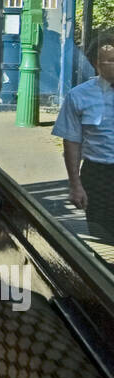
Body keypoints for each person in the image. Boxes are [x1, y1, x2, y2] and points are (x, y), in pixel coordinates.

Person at [52, 29, 114, 247]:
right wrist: (75, 185)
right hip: (99, 174)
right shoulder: (78, 96)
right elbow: (71, 142)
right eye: (110, 60)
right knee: (102, 238)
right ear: (96, 63)